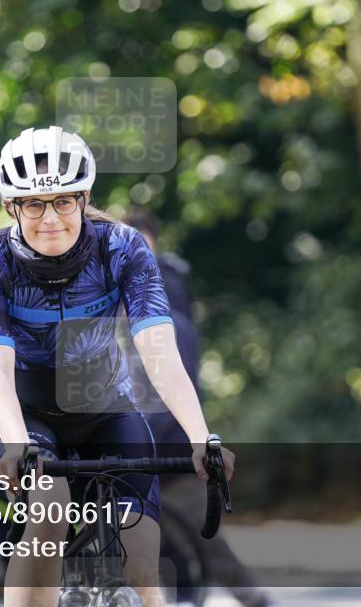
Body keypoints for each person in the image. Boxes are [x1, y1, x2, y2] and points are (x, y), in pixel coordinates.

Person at [0, 126, 235, 607]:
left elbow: (159, 350)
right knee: (50, 505)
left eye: (64, 202)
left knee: (143, 563)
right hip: (20, 415)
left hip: (103, 407)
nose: (50, 218)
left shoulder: (124, 247)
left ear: (84, 199)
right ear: (11, 207)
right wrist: (17, 445)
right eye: (33, 204)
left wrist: (200, 437)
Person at [125, 209, 274, 607]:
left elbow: (174, 381)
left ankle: (256, 602)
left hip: (171, 451)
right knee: (165, 545)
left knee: (200, 541)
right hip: (146, 450)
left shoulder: (164, 296)